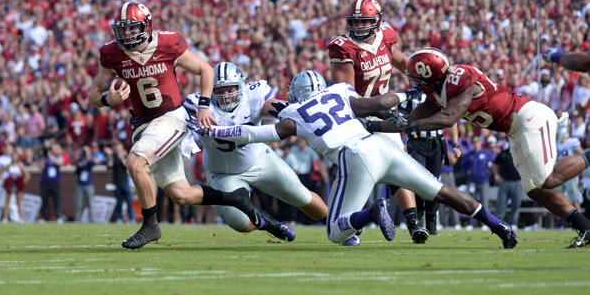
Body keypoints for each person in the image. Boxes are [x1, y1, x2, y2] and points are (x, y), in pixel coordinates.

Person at [188, 71, 518, 249]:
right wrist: (409, 95)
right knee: (442, 192)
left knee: (335, 232)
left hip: (355, 157)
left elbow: (259, 135)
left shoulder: (293, 113)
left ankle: (373, 211)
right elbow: (378, 101)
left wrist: (221, 133)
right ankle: (499, 226)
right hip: (382, 146)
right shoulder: (341, 92)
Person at [88, 2, 274, 249]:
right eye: (122, 30)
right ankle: (236, 198)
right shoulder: (111, 53)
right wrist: (106, 99)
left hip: (172, 118)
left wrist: (204, 106)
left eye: (131, 29)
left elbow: (205, 70)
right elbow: (91, 95)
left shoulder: (167, 43)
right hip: (145, 125)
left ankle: (150, 225)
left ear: (145, 26)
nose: (126, 35)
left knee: (135, 162)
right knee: (181, 194)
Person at [395, 47, 590, 248]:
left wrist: (408, 125)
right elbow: (422, 111)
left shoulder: (460, 78)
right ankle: (586, 228)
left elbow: (447, 118)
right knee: (533, 189)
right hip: (515, 128)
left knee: (548, 179)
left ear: (433, 74)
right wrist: (395, 122)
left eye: (418, 78)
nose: (415, 83)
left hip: (528, 117)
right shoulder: (439, 91)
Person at [184, 62, 328, 243]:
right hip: (222, 174)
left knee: (301, 195)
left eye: (231, 89)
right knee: (240, 223)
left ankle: (337, 225)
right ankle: (266, 222)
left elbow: (277, 109)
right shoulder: (197, 105)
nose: (226, 95)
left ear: (241, 87)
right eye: (220, 90)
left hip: (260, 159)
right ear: (210, 90)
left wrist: (302, 110)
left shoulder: (253, 97)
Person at [329, 0, 426, 243]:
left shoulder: (385, 37)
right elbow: (348, 96)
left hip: (385, 112)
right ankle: (353, 221)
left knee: (399, 166)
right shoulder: (344, 48)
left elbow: (403, 62)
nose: (359, 27)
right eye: (355, 22)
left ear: (378, 20)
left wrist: (424, 78)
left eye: (365, 22)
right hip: (356, 116)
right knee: (356, 169)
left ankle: (414, 223)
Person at [398, 94, 461, 235]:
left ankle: (432, 225)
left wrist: (455, 143)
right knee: (418, 182)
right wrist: (401, 141)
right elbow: (399, 120)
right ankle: (418, 222)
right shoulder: (411, 97)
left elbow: (451, 120)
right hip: (416, 141)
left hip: (436, 143)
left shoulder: (442, 95)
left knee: (434, 183)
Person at [461, 136, 496, 230]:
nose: (476, 143)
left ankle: (485, 224)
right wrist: (466, 171)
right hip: (472, 181)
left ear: (480, 142)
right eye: (474, 142)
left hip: (483, 181)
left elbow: (493, 162)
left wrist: (489, 171)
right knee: (472, 203)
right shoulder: (470, 154)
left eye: (477, 141)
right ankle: (472, 224)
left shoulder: (486, 153)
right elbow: (463, 164)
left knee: (484, 202)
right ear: (472, 143)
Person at [492, 136, 523, 231]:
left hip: (517, 183)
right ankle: (498, 224)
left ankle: (513, 223)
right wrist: (497, 176)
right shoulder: (503, 153)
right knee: (501, 204)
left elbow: (527, 166)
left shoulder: (521, 154)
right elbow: (494, 164)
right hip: (504, 182)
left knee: (516, 205)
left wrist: (523, 178)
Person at [555, 125, 583, 213]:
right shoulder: (555, 144)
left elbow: (582, 155)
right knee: (557, 201)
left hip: (569, 175)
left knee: (574, 200)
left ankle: (582, 223)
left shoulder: (571, 142)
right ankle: (558, 225)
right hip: (558, 175)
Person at [104, 142, 135, 223]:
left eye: (119, 148)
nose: (117, 149)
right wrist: (110, 156)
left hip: (125, 182)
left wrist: (121, 157)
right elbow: (109, 166)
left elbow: (127, 166)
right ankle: (119, 218)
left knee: (129, 201)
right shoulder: (113, 157)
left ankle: (132, 218)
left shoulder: (125, 156)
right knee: (119, 202)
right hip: (117, 182)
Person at [1, 151, 31, 223]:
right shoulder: (8, 166)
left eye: (15, 156)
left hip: (17, 186)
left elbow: (27, 175)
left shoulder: (20, 166)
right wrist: (5, 182)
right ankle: (5, 218)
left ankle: (20, 218)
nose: (14, 158)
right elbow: (2, 174)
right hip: (10, 186)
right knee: (7, 202)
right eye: (13, 156)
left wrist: (22, 183)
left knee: (19, 202)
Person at [39, 142, 65, 223]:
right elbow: (41, 167)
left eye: (53, 149)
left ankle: (58, 216)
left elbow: (59, 163)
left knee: (56, 200)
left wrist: (51, 156)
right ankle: (43, 217)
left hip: (55, 182)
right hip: (45, 182)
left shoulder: (58, 157)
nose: (52, 150)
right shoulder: (46, 158)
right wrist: (43, 156)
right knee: (44, 200)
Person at [74, 146, 95, 222]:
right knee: (78, 203)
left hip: (89, 184)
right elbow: (76, 171)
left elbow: (92, 164)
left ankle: (91, 219)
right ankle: (77, 219)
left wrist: (88, 157)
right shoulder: (80, 160)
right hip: (80, 184)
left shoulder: (90, 159)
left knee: (90, 203)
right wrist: (79, 166)